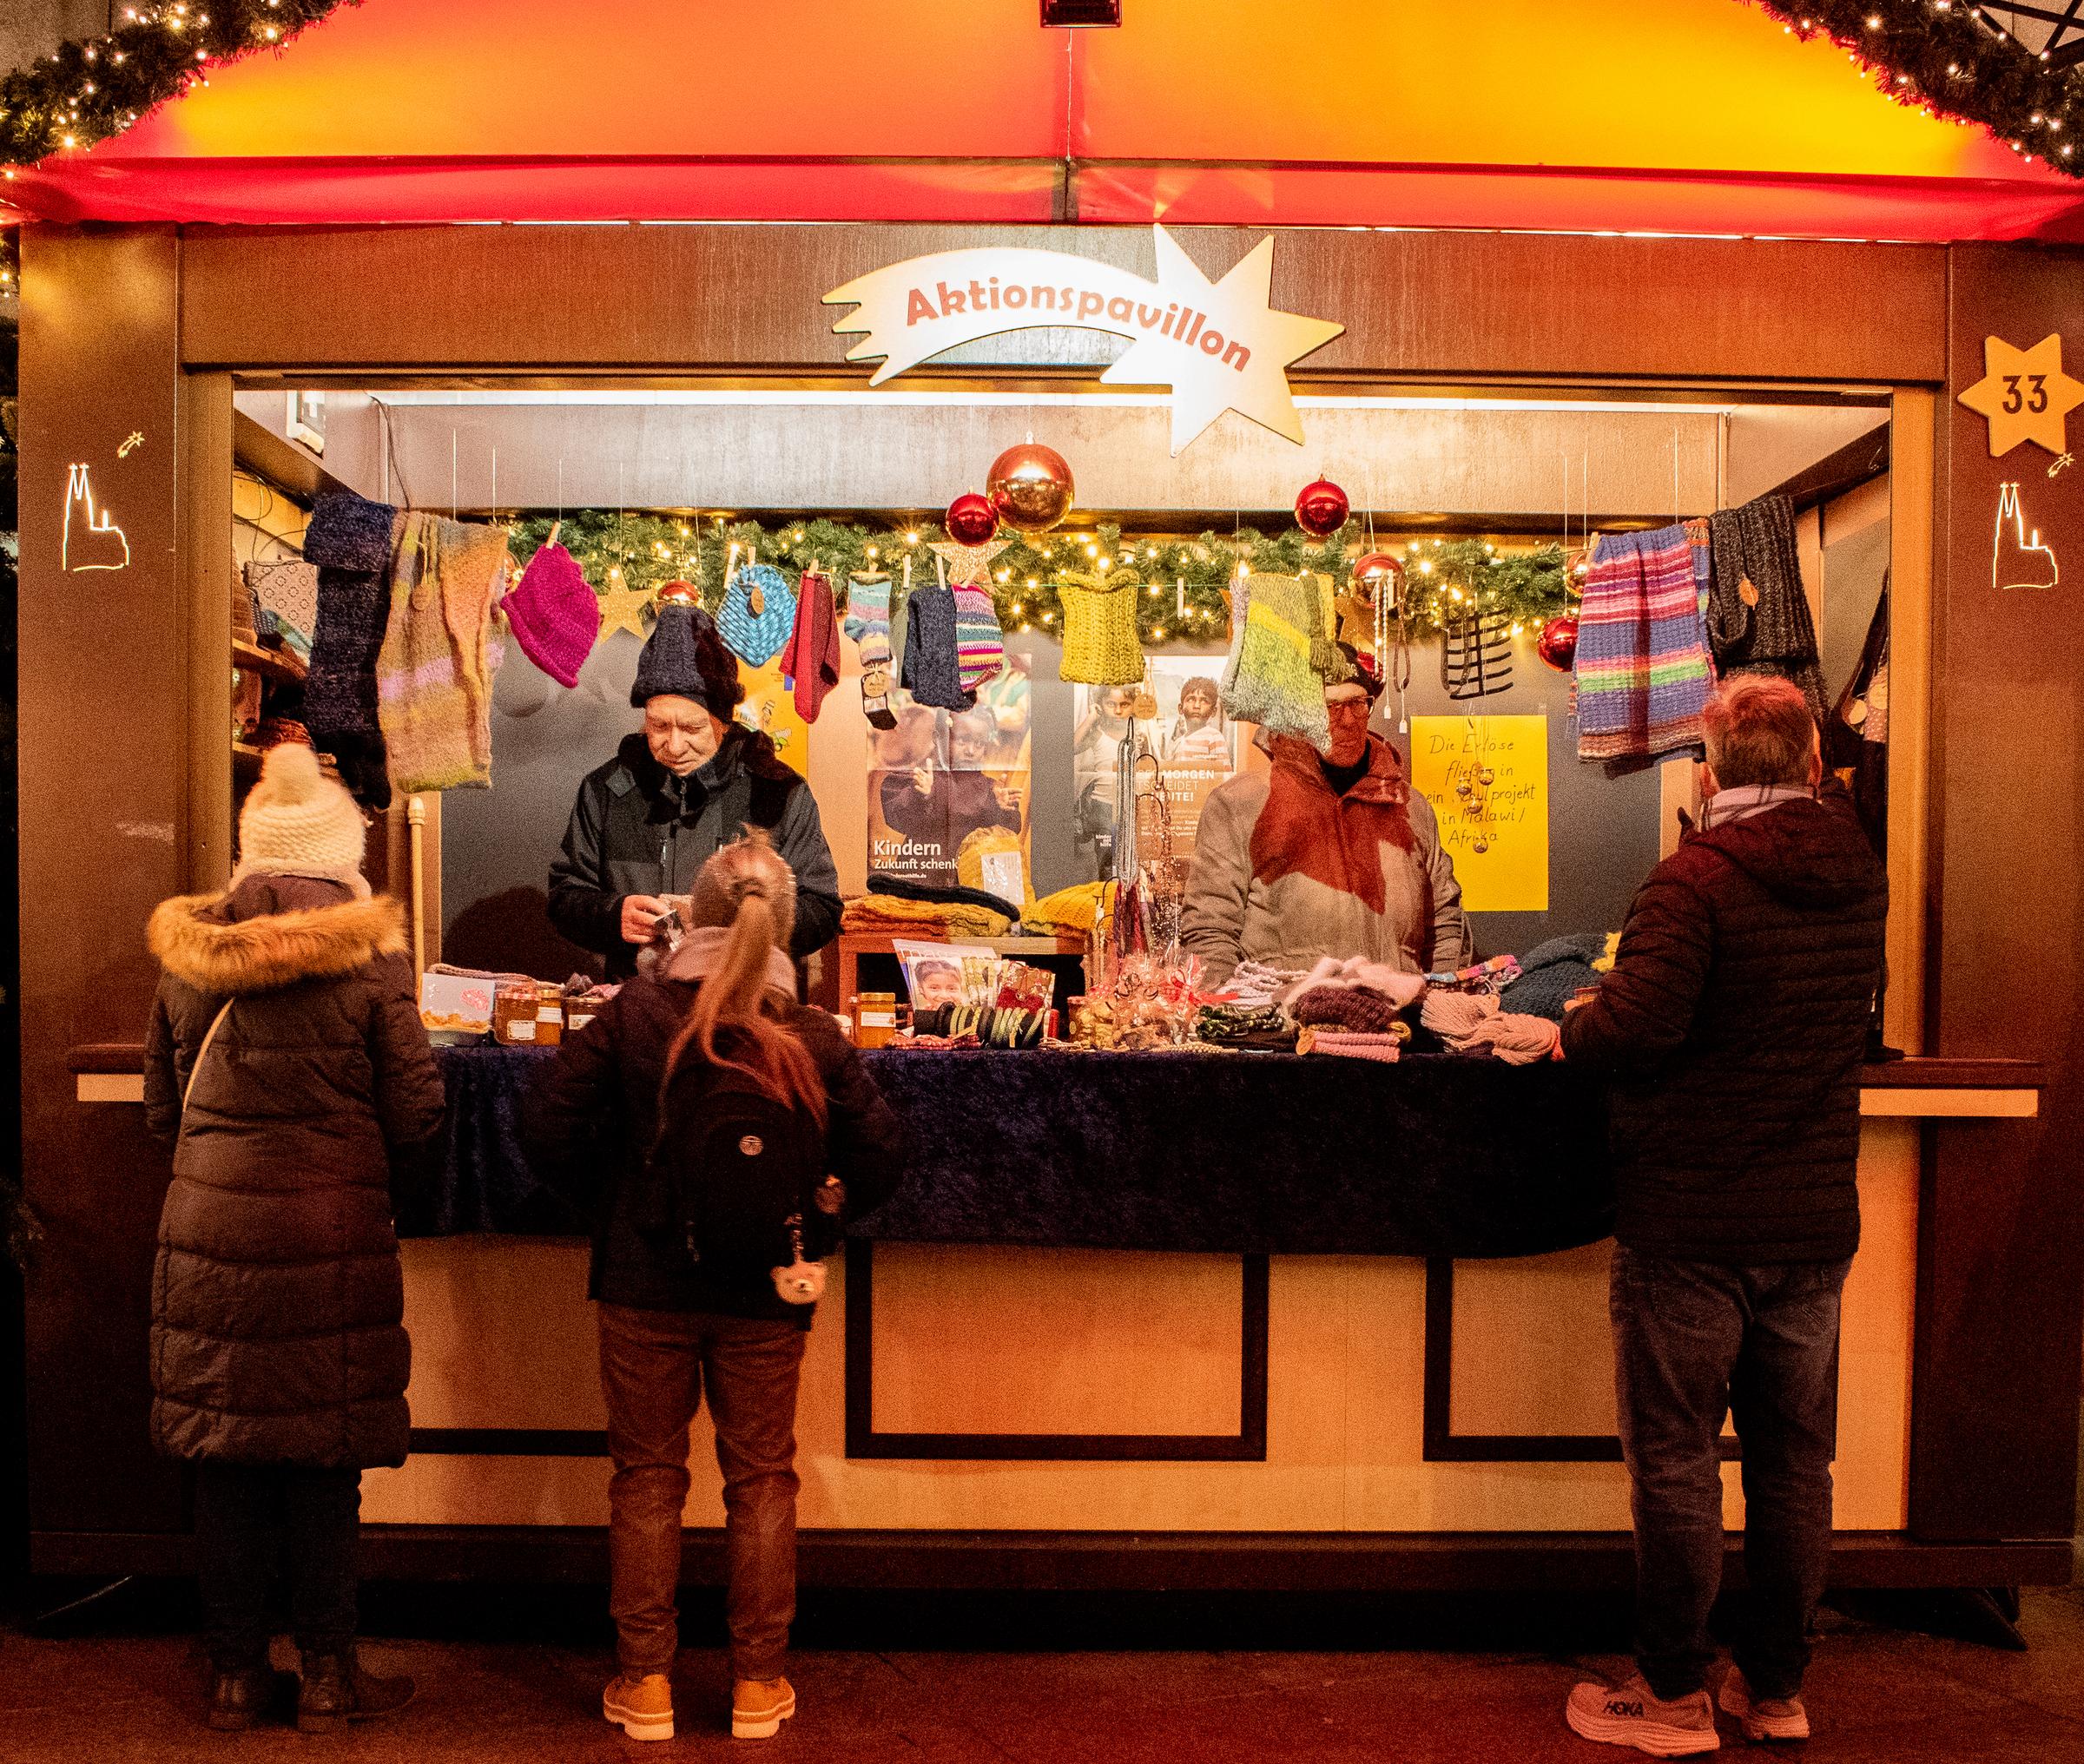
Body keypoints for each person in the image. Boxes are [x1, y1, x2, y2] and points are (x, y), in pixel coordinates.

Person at [1559, 675, 1887, 1756]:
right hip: (1808, 1226)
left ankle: (1670, 1697)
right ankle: (1779, 1689)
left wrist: (1576, 1027)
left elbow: (1638, 1031)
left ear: (1708, 773)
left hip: (1691, 1225)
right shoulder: (1859, 874)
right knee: (1797, 1463)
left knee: (1678, 1459)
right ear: (1806, 765)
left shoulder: (1692, 882)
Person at [525, 835, 905, 1744]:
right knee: (762, 1479)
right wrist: (820, 1221)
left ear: (690, 915)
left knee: (648, 1478)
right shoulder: (811, 1033)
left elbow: (542, 1123)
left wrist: (617, 1205)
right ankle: (757, 1685)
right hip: (773, 1287)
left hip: (643, 1282)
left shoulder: (635, 1014)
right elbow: (884, 1153)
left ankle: (646, 1684)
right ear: (789, 928)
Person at [142, 744, 445, 1734]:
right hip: (332, 1230)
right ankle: (327, 1675)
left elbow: (160, 1111)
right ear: (343, 853)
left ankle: (235, 1676)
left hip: (209, 1232)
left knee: (227, 1460)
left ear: (250, 852)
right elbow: (415, 1114)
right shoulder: (374, 959)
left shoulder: (190, 958)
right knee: (323, 1466)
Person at [550, 603, 841, 978]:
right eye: (658, 726)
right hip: (642, 1004)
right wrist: (611, 916)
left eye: (691, 729)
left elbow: (822, 909)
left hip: (749, 1004)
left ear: (722, 723)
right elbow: (565, 894)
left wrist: (745, 926)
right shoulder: (606, 790)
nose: (673, 746)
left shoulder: (778, 793)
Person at [1180, 662, 1468, 987]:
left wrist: (1439, 1001)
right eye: (1330, 707)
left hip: (1398, 1026)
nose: (1347, 721)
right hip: (1283, 1026)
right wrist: (1229, 1014)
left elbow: (1444, 919)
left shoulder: (1409, 807)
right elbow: (1210, 926)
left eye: (1358, 704)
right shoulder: (1240, 804)